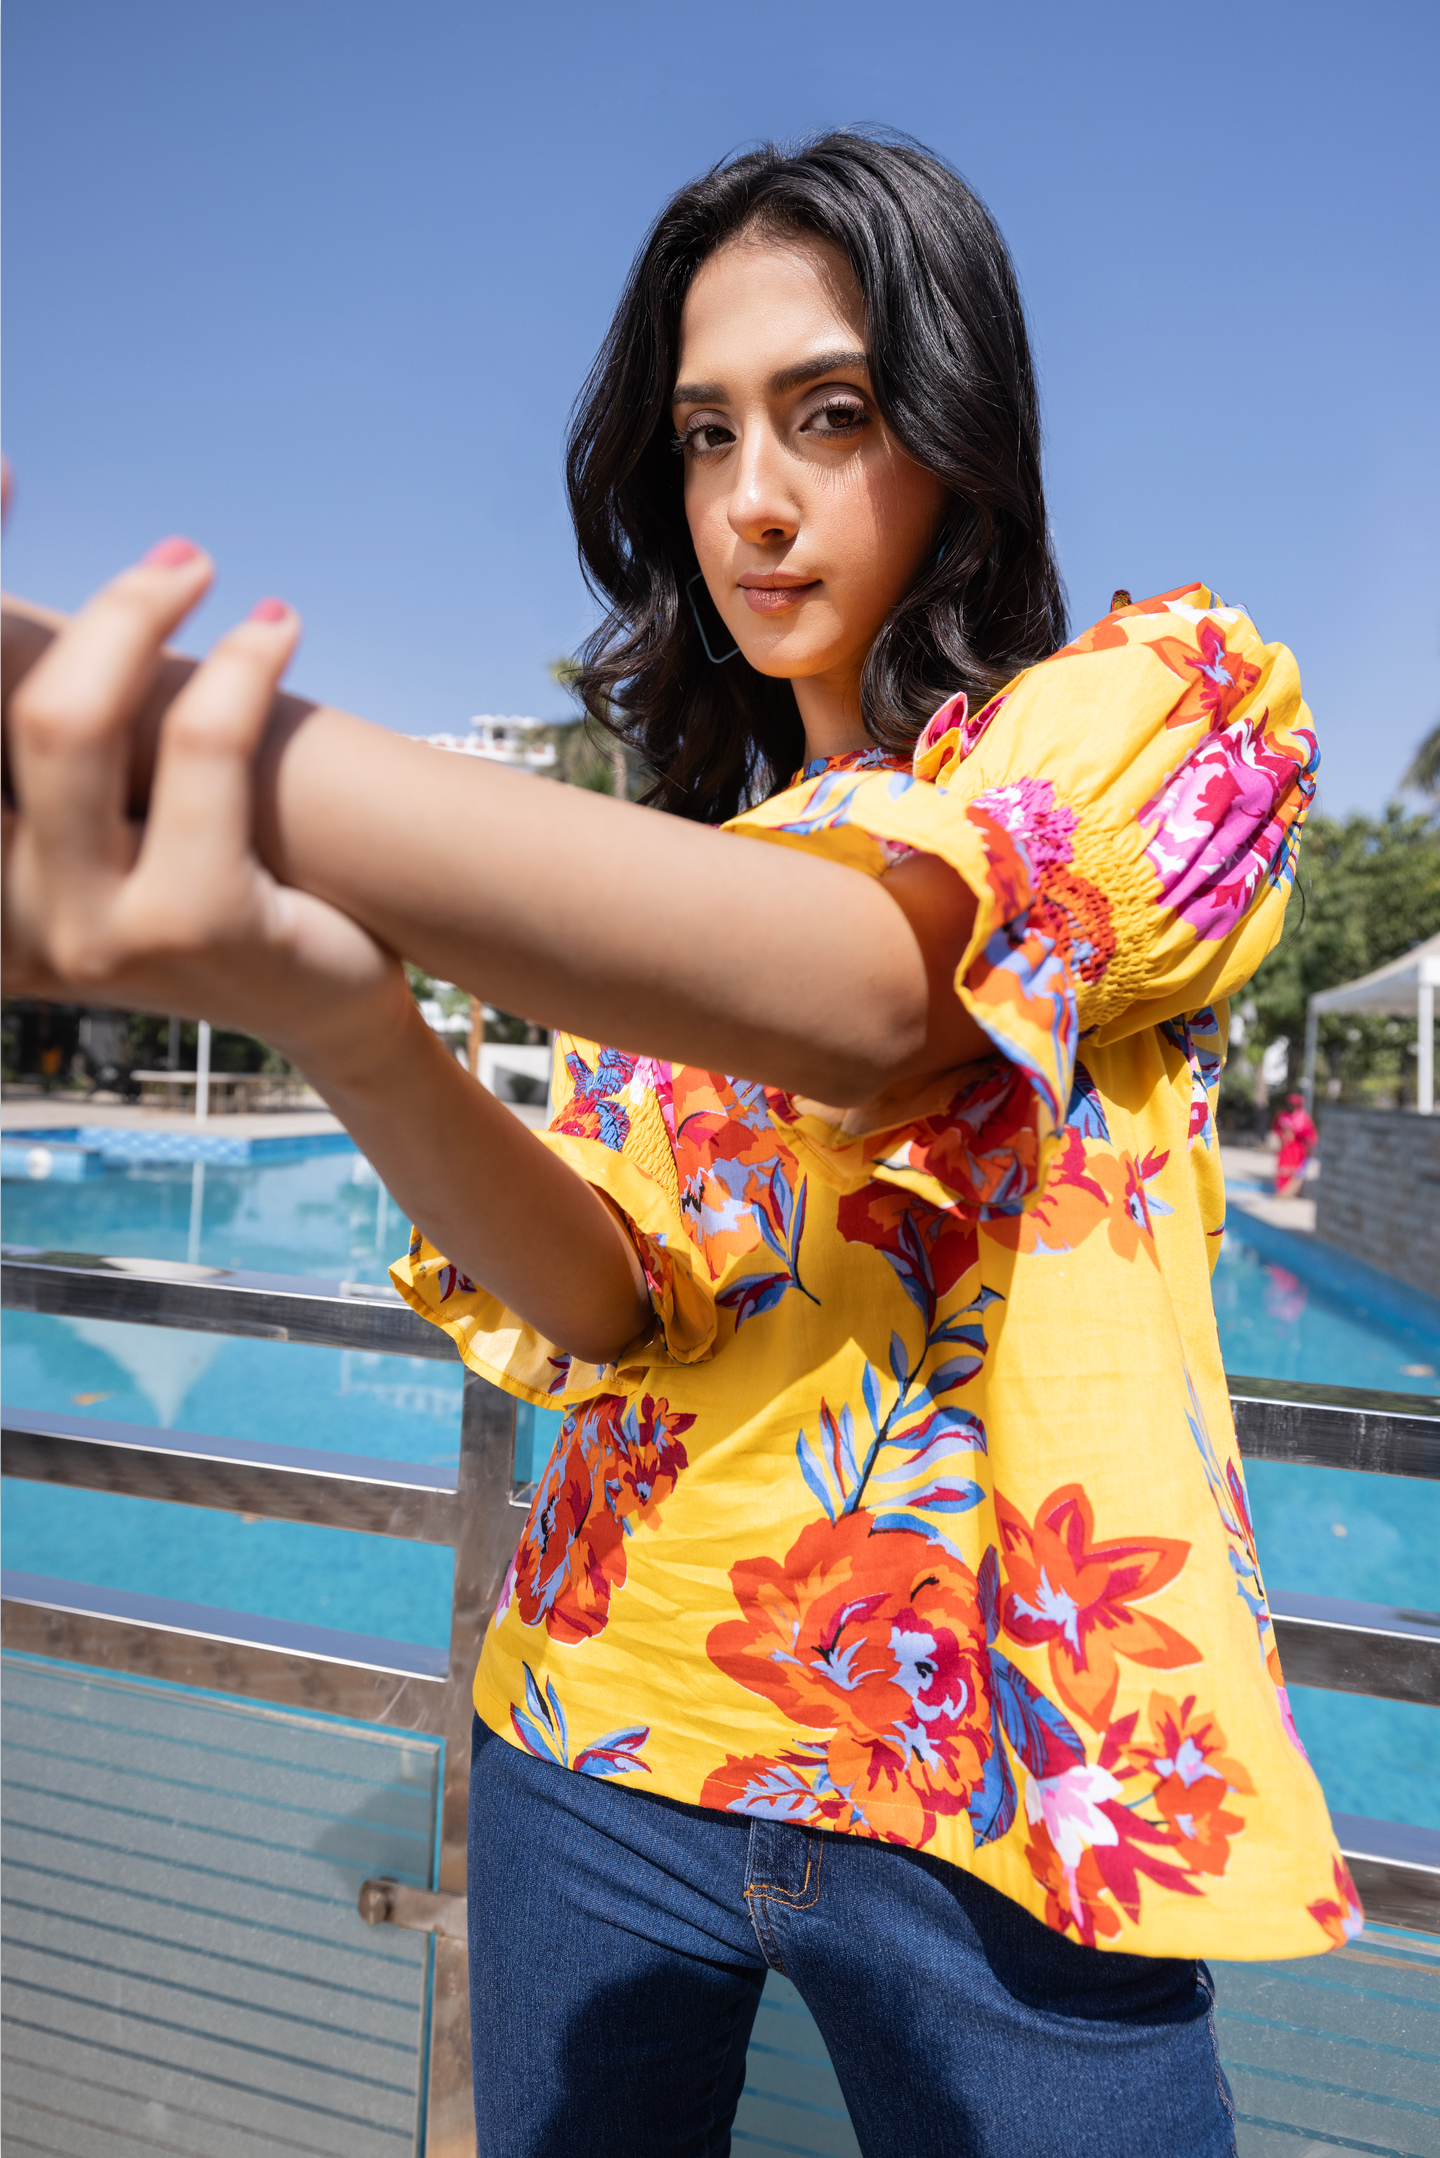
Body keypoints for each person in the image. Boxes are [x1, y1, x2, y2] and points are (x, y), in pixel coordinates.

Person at [2, 131, 1358, 2158]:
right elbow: (602, 1299)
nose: (752, 498)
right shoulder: (686, 889)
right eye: (703, 434)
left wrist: (155, 734)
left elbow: (884, 994)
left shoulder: (1162, 711)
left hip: (1001, 1802)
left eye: (832, 412)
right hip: (593, 1728)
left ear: (967, 432)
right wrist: (338, 1011)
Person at [1272, 1090, 1319, 1197]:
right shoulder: (1282, 1115)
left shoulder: (1303, 1118)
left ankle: (1293, 1193)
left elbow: (1310, 1134)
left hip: (1298, 1149)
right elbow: (1276, 1128)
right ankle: (1281, 1192)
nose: (1290, 1106)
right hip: (1285, 1148)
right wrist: (1282, 1136)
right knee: (1283, 1169)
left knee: (1295, 1171)